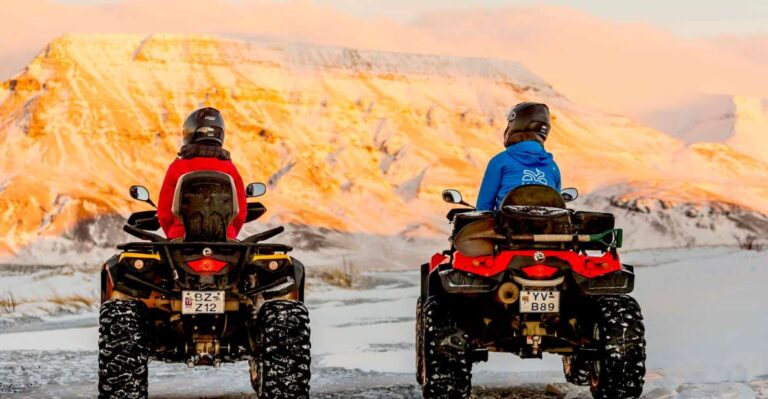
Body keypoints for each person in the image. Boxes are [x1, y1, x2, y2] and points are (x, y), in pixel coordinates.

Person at [157, 107, 247, 240]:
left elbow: (164, 213)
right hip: (225, 244)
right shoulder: (230, 169)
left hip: (181, 243)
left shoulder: (177, 167)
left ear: (190, 132)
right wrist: (229, 235)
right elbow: (240, 214)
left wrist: (175, 236)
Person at [476, 102, 561, 211]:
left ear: (518, 124)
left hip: (507, 227)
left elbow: (483, 207)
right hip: (546, 227)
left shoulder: (500, 161)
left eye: (510, 123)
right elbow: (557, 208)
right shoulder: (553, 167)